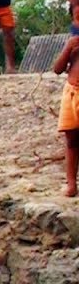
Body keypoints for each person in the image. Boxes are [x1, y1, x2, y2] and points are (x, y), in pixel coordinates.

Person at [52, 23, 79, 197]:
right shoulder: (73, 43)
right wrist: (69, 47)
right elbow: (57, 69)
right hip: (72, 91)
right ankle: (71, 183)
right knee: (71, 140)